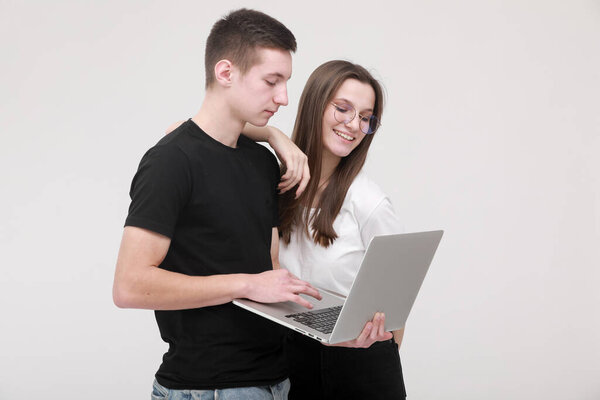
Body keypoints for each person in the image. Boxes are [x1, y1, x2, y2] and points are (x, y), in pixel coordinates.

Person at [112, 9, 321, 400]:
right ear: (226, 73)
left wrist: (328, 328)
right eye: (272, 82)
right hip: (208, 388)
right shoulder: (171, 161)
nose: (284, 98)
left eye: (286, 82)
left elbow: (269, 269)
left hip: (277, 379)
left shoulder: (261, 162)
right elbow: (129, 286)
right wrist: (246, 284)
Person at [244, 60, 407, 399]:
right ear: (316, 105)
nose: (354, 125)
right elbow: (189, 130)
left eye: (365, 117)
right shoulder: (274, 182)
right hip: (287, 358)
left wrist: (373, 355)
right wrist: (274, 135)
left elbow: (396, 307)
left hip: (357, 365)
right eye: (343, 109)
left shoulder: (369, 202)